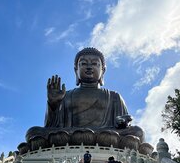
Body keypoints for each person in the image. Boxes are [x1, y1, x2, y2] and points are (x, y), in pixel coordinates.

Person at [19, 48, 153, 155]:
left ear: (103, 70)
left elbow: (125, 125)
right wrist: (53, 104)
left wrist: (122, 123)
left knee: (138, 132)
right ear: (76, 70)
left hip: (107, 134)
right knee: (33, 132)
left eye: (95, 64)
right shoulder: (66, 95)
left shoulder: (114, 96)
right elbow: (51, 126)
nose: (89, 67)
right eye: (83, 63)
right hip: (70, 135)